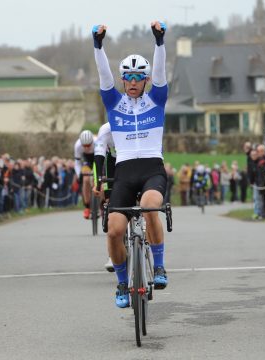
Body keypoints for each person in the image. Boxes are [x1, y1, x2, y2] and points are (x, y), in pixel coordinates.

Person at [92, 20, 169, 308]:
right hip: (123, 171)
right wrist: (98, 47)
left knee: (150, 206)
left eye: (139, 76)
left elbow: (161, 72)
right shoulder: (113, 103)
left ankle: (159, 267)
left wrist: (159, 43)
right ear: (123, 80)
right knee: (113, 230)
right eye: (129, 77)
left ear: (146, 80)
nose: (134, 81)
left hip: (151, 169)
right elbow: (103, 76)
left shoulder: (157, 100)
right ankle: (122, 284)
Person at [93, 121, 117, 272]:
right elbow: (98, 159)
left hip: (134, 161)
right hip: (112, 164)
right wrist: (97, 183)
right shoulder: (106, 129)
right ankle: (112, 254)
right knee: (110, 205)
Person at [74, 129, 95, 219]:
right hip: (86, 160)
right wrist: (79, 175)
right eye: (84, 145)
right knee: (86, 179)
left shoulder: (97, 141)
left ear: (92, 142)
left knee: (100, 181)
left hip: (97, 157)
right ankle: (87, 206)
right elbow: (77, 162)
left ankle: (102, 205)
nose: (86, 147)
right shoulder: (78, 145)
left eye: (88, 145)